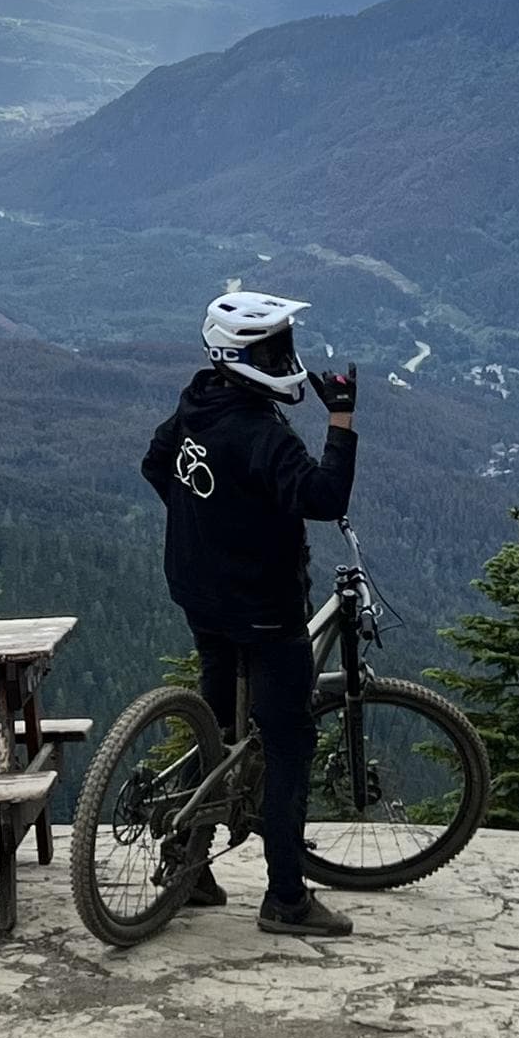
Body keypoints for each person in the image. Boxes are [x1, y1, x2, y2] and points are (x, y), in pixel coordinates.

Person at [141, 287, 359, 937]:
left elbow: (156, 465)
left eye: (283, 345)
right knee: (288, 740)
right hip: (263, 608)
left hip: (198, 592)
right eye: (272, 348)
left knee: (216, 728)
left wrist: (209, 525)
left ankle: (189, 865)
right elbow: (321, 497)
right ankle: (286, 899)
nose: (284, 357)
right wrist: (341, 419)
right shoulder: (260, 432)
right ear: (237, 355)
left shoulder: (197, 402)